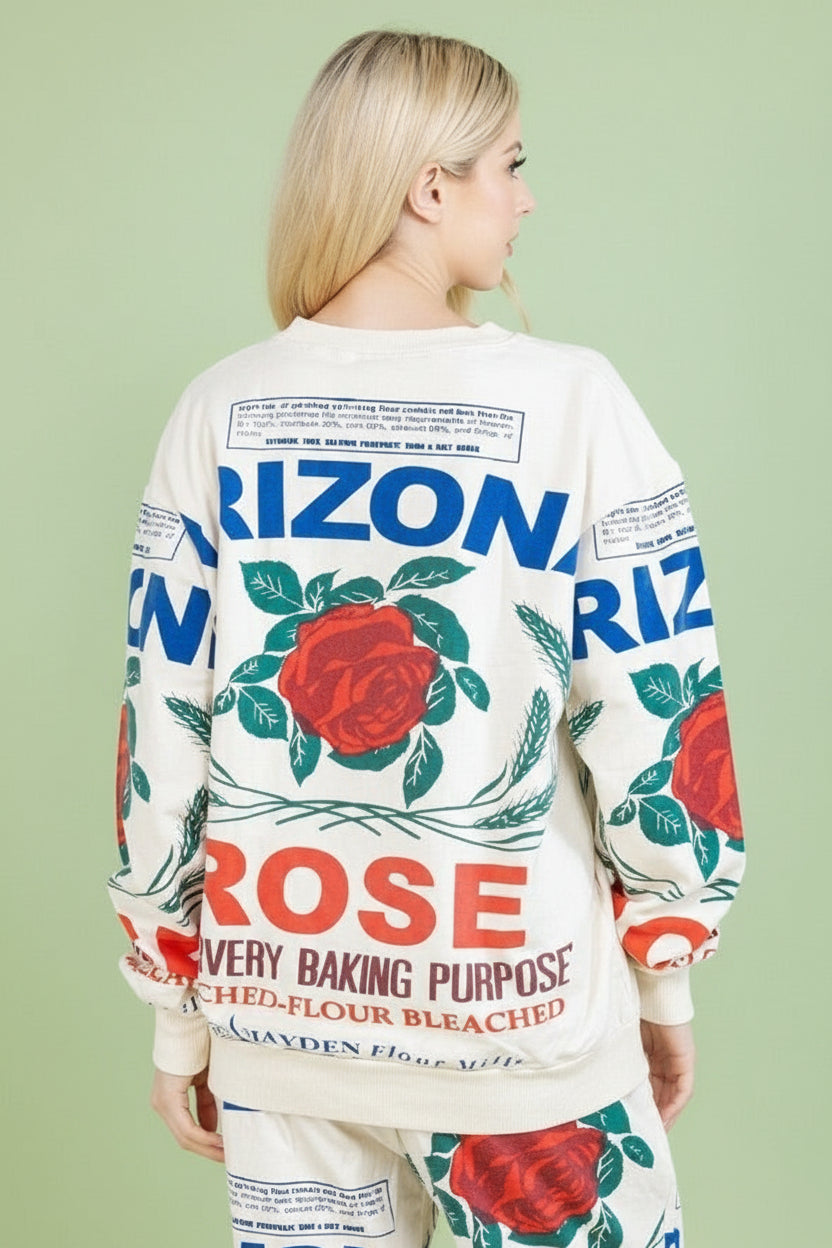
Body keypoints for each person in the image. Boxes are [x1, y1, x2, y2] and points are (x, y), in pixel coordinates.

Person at [109, 29, 744, 1248]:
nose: (526, 198)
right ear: (429, 188)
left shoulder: (220, 408)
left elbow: (163, 728)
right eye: (510, 164)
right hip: (524, 1040)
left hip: (282, 1038)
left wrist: (177, 1018)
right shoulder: (572, 401)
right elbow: (656, 705)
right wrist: (662, 971)